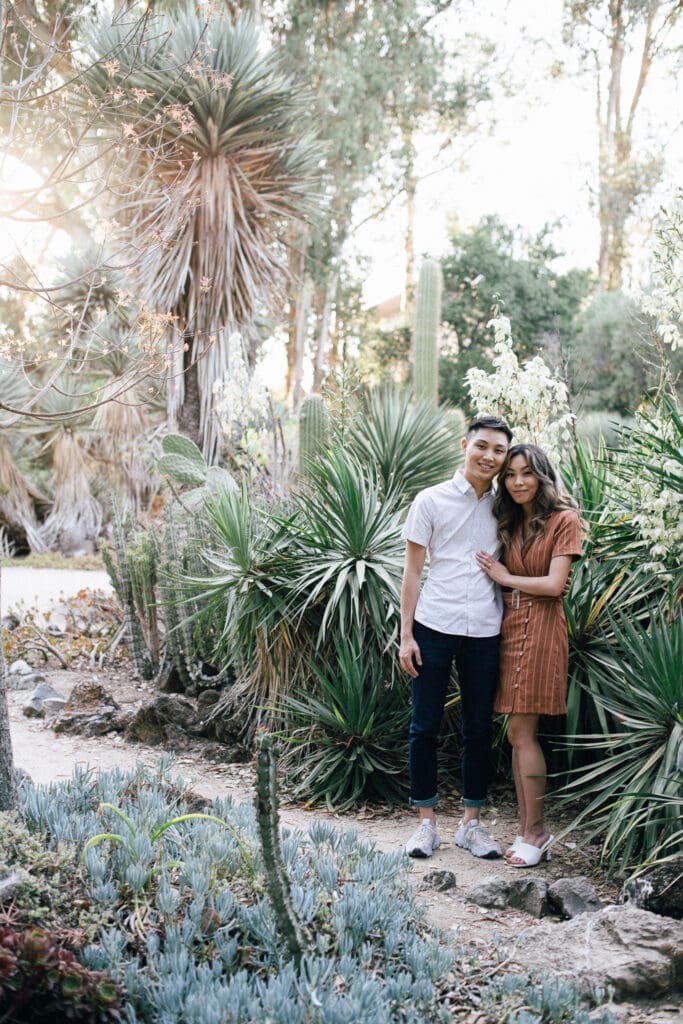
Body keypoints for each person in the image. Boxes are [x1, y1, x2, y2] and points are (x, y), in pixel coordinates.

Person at [400, 415, 513, 859]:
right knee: (424, 726)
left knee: (478, 729)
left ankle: (471, 824)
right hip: (433, 624)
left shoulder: (507, 506)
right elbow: (412, 572)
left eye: (498, 450)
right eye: (482, 446)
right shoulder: (430, 500)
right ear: (465, 445)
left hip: (486, 628)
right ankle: (426, 824)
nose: (489, 456)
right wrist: (406, 635)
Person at [475, 443, 582, 868]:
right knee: (517, 735)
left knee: (523, 732)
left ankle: (536, 830)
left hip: (541, 629)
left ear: (542, 476)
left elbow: (556, 585)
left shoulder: (564, 520)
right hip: (510, 628)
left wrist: (505, 576)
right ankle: (527, 828)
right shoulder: (512, 521)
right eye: (510, 475)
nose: (517, 481)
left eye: (526, 473)